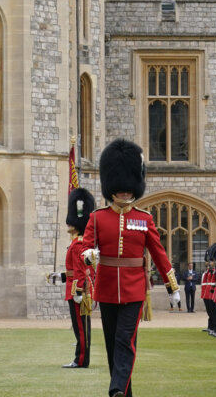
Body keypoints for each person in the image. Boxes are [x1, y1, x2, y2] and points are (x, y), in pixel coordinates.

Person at [81, 139, 180, 397]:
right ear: (111, 187)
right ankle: (125, 393)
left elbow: (159, 253)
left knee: (125, 341)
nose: (125, 192)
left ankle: (115, 390)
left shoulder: (144, 218)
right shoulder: (97, 217)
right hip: (106, 289)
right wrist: (89, 255)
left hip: (135, 290)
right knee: (113, 345)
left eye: (129, 189)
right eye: (120, 189)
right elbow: (85, 249)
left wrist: (172, 285)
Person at [48, 187, 95, 369]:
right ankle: (80, 358)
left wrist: (79, 291)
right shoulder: (76, 243)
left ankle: (81, 360)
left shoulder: (79, 244)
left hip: (78, 291)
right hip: (76, 288)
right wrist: (59, 276)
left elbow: (81, 270)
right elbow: (72, 271)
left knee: (81, 329)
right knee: (80, 328)